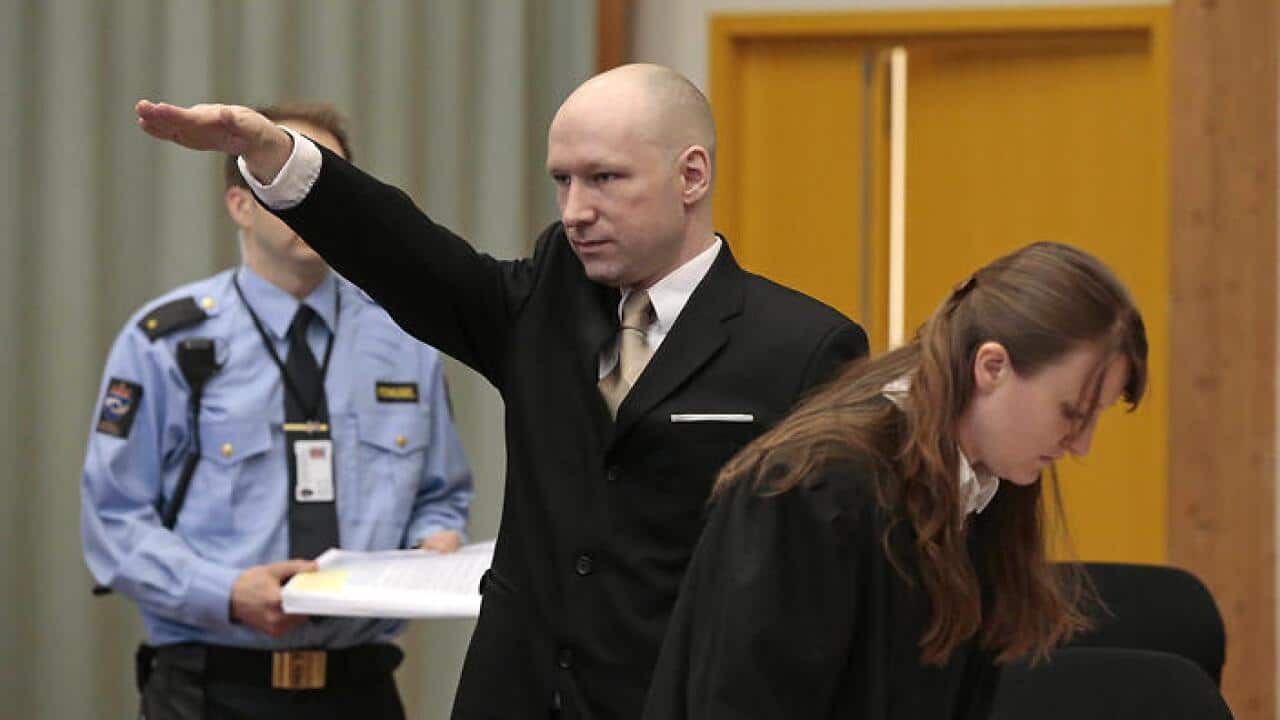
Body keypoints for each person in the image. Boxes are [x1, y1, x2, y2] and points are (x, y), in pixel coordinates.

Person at [134, 63, 869, 718]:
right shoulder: (548, 297)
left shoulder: (803, 348)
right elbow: (405, 251)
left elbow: (821, 599)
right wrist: (276, 157)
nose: (575, 208)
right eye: (562, 180)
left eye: (605, 178)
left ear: (692, 176)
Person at [641, 242, 1149, 719]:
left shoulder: (986, 488)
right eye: (1071, 412)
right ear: (991, 367)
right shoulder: (816, 491)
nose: (1080, 446)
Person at [81, 102, 474, 720]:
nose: (311, 203)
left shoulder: (404, 338)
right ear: (240, 203)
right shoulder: (165, 342)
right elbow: (113, 518)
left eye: (325, 184)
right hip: (212, 689)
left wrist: (434, 542)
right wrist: (227, 593)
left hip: (360, 689)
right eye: (286, 179)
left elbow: (440, 493)